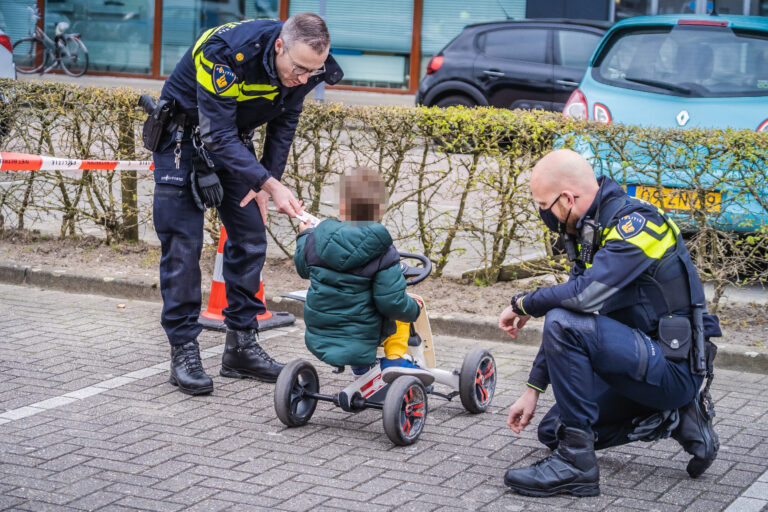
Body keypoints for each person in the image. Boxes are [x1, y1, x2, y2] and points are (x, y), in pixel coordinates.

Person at [499, 149, 719, 497]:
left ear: (568, 198)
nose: (543, 214)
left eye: (544, 205)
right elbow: (573, 306)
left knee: (561, 320)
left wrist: (525, 303)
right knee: (553, 432)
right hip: (635, 362)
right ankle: (675, 418)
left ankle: (577, 468)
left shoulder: (641, 224)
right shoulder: (592, 229)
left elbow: (583, 299)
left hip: (672, 367)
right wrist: (533, 389)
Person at [151, 13, 343, 395]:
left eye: (313, 72)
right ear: (278, 47)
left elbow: (285, 121)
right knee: (183, 245)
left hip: (233, 143)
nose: (304, 79)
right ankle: (184, 350)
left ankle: (240, 347)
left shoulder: (305, 68)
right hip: (182, 136)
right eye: (300, 69)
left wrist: (263, 184)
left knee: (251, 238)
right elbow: (215, 133)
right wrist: (271, 184)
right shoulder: (223, 53)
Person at [293, 167, 434, 385]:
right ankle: (394, 360)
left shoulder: (314, 240)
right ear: (379, 210)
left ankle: (362, 368)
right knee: (402, 307)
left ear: (341, 207)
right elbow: (391, 302)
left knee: (351, 300)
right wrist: (414, 311)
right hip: (360, 333)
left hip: (321, 331)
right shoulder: (383, 252)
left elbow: (303, 268)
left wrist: (304, 235)